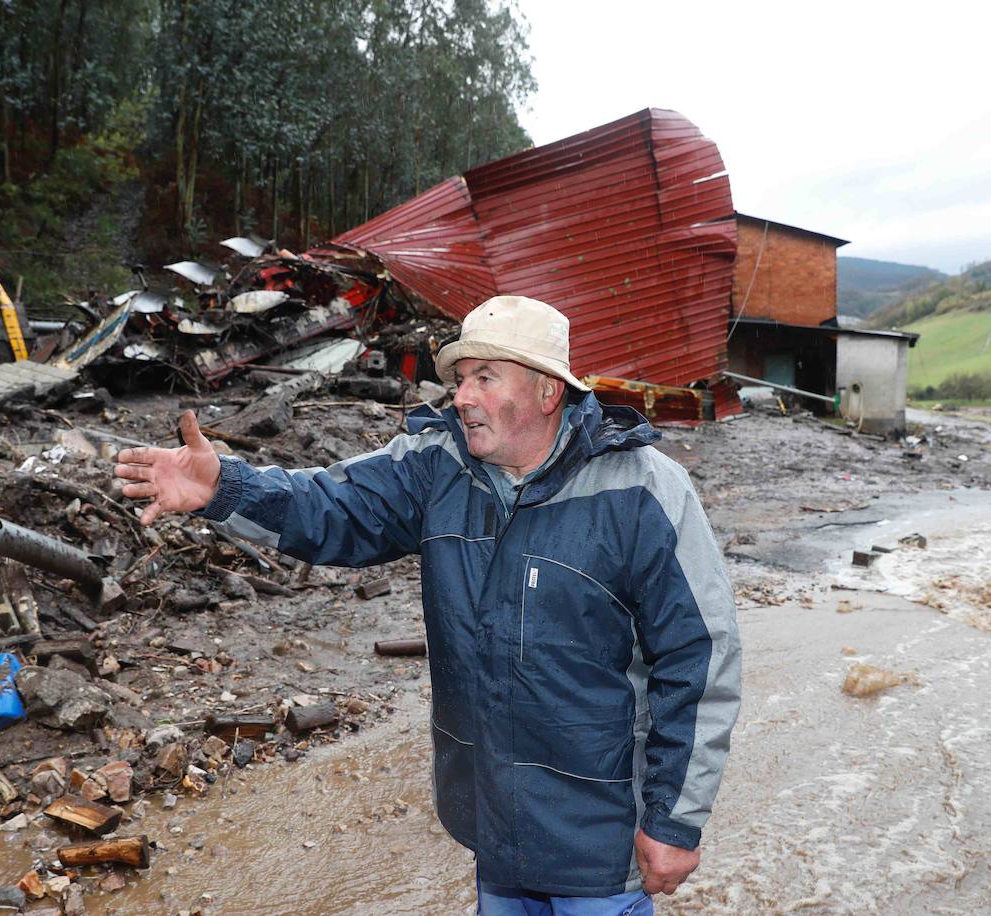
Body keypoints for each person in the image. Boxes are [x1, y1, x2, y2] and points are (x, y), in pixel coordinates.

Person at [115, 295, 741, 914]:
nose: (462, 397)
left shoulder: (643, 490)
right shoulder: (436, 468)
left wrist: (674, 820)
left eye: (485, 378)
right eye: (461, 380)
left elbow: (699, 658)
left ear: (549, 390)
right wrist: (225, 486)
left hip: (600, 843)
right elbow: (327, 506)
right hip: (492, 828)